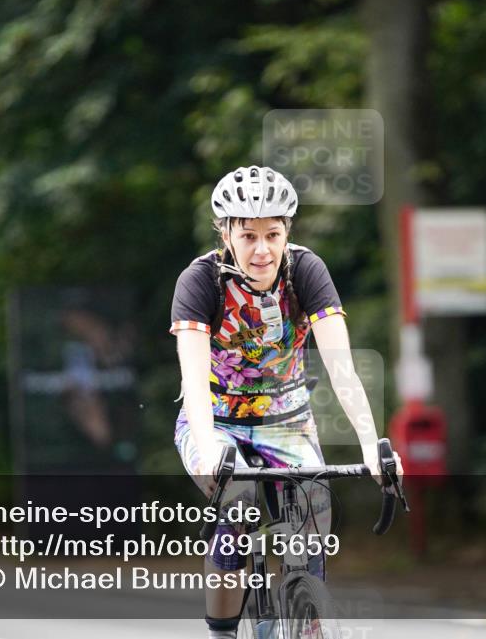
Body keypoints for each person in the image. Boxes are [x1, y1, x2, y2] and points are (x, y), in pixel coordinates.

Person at [170, 165, 403, 639]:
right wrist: (210, 449)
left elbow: (342, 367)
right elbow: (193, 380)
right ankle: (222, 632)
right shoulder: (200, 282)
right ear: (227, 233)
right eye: (249, 235)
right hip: (214, 422)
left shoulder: (306, 272)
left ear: (287, 232)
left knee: (313, 517)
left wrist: (367, 444)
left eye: (273, 234)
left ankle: (308, 619)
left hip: (286, 421)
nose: (262, 250)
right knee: (237, 509)